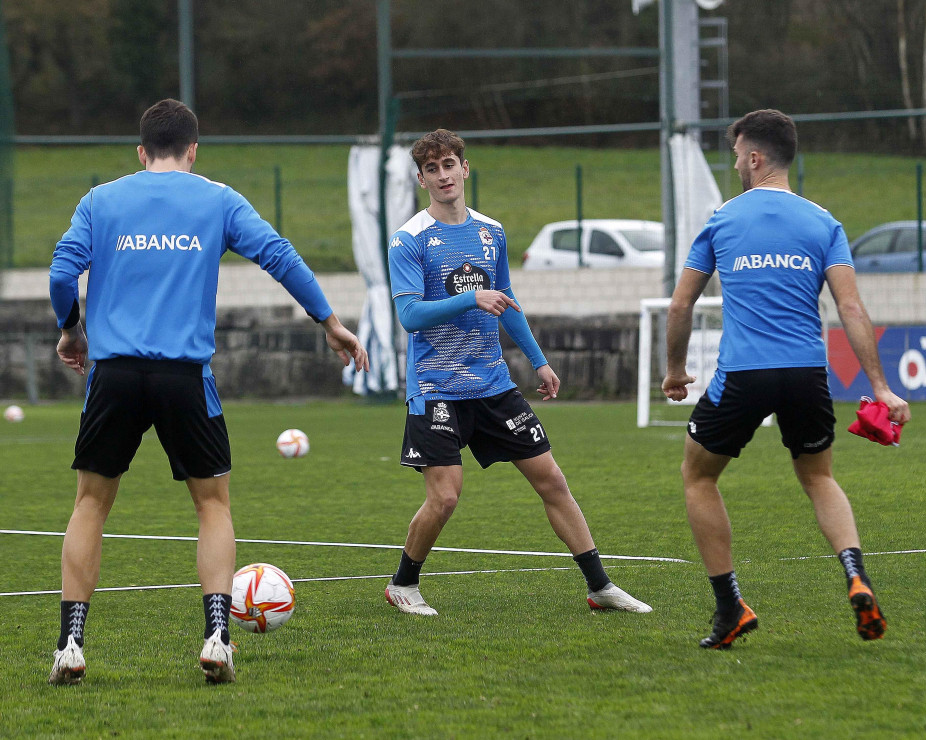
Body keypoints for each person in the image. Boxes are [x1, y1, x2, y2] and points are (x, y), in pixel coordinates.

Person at [47, 99, 369, 686]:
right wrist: (329, 321)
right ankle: (218, 636)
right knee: (212, 505)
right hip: (184, 378)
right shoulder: (217, 198)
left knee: (90, 504)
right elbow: (279, 256)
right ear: (193, 150)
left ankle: (70, 644)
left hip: (113, 374)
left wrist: (72, 328)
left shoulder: (101, 201)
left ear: (141, 152)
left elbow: (61, 272)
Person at [661, 109, 910, 649]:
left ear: (754, 157)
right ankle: (855, 575)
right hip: (806, 374)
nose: (734, 166)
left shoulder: (722, 219)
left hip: (744, 375)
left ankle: (729, 607)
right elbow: (852, 308)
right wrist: (881, 387)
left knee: (699, 476)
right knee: (818, 477)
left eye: (735, 155)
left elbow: (681, 305)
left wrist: (676, 370)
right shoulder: (824, 223)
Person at [383, 129, 650, 617]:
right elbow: (410, 317)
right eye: (432, 169)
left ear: (466, 169)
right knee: (444, 498)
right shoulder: (409, 240)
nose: (443, 175)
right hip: (435, 387)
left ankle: (600, 587)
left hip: (493, 383)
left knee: (552, 480)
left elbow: (507, 304)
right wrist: (470, 297)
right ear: (421, 179)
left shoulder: (492, 232)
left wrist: (539, 359)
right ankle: (404, 584)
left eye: (450, 165)